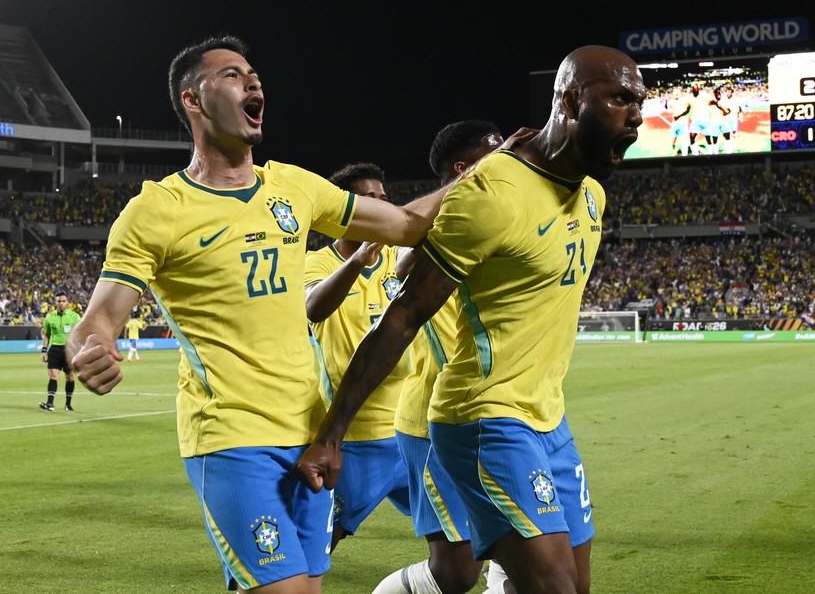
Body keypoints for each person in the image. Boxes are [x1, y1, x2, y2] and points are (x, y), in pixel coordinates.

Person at [66, 34, 452, 594]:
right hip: (231, 436)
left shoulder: (293, 188)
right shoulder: (157, 211)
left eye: (253, 74)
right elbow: (98, 318)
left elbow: (406, 225)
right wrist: (89, 349)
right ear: (192, 99)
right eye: (231, 74)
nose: (253, 81)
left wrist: (487, 174)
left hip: (309, 433)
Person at [295, 45, 646, 594]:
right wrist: (331, 434)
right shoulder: (495, 192)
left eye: (641, 102)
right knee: (513, 580)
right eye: (621, 98)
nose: (638, 116)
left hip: (548, 420)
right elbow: (404, 312)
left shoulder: (594, 199)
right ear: (572, 101)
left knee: (571, 585)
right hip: (483, 417)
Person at [373, 120, 507, 594]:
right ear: (462, 168)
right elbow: (404, 263)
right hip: (435, 418)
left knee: (529, 551)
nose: (508, 158)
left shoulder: (498, 215)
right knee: (455, 572)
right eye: (496, 152)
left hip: (500, 413)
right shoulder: (432, 230)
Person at [304, 161, 412, 552]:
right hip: (355, 437)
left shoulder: (400, 259)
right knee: (317, 544)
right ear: (346, 208)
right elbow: (313, 307)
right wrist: (356, 260)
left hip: (412, 430)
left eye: (385, 199)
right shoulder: (316, 263)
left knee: (462, 540)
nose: (382, 206)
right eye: (370, 199)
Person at [38, 291, 81, 412]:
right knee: (53, 375)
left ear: (67, 302)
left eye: (63, 301)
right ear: (55, 302)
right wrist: (44, 350)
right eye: (59, 301)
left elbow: (79, 333)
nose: (61, 303)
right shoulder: (50, 317)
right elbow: (47, 335)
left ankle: (68, 404)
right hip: (55, 349)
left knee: (69, 376)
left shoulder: (74, 317)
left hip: (69, 350)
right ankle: (50, 403)